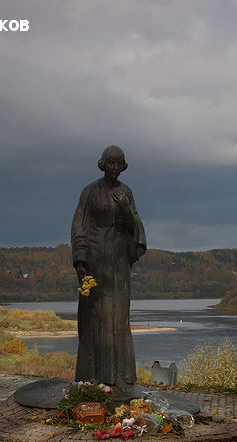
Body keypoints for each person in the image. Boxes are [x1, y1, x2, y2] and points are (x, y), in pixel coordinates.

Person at [71, 145, 146, 394]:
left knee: (119, 318)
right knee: (94, 319)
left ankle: (122, 379)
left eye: (119, 163)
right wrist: (81, 262)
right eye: (110, 163)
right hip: (95, 263)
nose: (114, 168)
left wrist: (125, 209)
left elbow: (136, 227)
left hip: (119, 264)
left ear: (123, 166)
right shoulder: (90, 192)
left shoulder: (127, 193)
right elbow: (79, 226)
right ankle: (91, 378)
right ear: (103, 164)